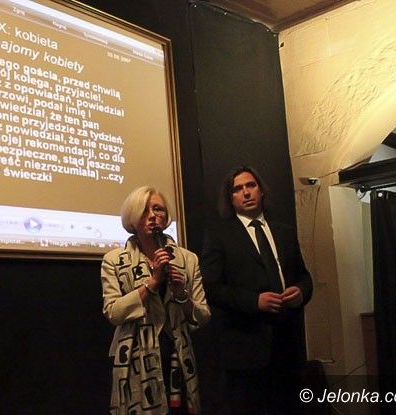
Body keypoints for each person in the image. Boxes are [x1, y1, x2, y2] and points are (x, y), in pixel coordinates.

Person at [201, 166, 313, 415]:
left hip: (287, 345)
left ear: (261, 191)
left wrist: (300, 292)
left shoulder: (284, 232)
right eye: (237, 189)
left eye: (250, 185)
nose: (246, 193)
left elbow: (304, 277)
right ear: (230, 198)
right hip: (246, 350)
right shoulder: (219, 235)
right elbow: (211, 287)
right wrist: (254, 301)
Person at [101, 186, 211, 414]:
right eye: (144, 211)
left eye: (158, 209)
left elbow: (203, 316)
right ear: (132, 219)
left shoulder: (188, 259)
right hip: (134, 358)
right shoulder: (114, 260)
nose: (152, 216)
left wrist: (181, 294)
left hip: (177, 354)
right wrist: (152, 283)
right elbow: (113, 313)